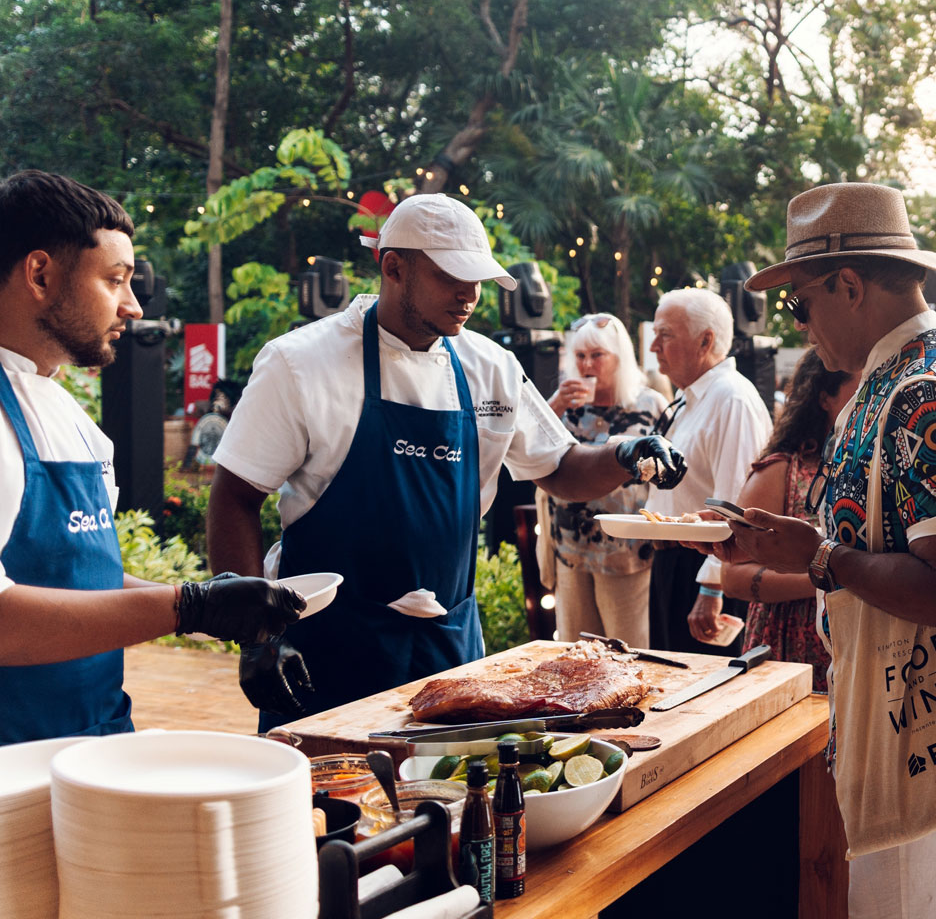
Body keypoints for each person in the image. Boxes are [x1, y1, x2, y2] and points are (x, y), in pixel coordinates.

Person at [206, 193, 686, 730]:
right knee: (328, 806)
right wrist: (256, 633)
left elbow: (561, 468)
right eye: (452, 278)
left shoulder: (490, 366)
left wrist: (627, 454)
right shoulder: (299, 362)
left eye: (478, 279)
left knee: (451, 798)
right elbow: (235, 496)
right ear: (393, 266)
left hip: (449, 644)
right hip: (325, 643)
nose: (470, 296)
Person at [705, 182, 936, 917]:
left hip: (930, 718)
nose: (803, 328)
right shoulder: (917, 375)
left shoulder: (926, 392)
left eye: (801, 304)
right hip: (915, 709)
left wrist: (820, 559)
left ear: (848, 285)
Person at [0, 170, 301, 744]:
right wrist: (185, 609)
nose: (133, 307)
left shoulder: (73, 420)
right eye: (114, 280)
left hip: (93, 739)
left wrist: (227, 612)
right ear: (39, 274)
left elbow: (85, 579)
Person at [644, 287, 772, 655]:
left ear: (706, 341)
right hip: (674, 563)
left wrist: (712, 587)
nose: (654, 347)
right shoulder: (692, 397)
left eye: (665, 335)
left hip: (702, 568)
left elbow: (735, 502)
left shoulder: (731, 398)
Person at [718, 349, 855, 692]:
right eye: (860, 386)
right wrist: (831, 575)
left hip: (858, 649)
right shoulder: (782, 469)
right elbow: (733, 577)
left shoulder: (869, 468)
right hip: (788, 650)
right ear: (824, 397)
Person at [535, 312, 669, 645]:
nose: (587, 364)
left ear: (619, 357)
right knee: (575, 652)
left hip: (626, 550)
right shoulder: (567, 405)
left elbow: (669, 471)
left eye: (597, 355)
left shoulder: (650, 404)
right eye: (580, 356)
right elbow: (530, 452)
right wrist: (554, 405)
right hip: (570, 547)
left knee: (629, 651)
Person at [185, 378, 243, 469]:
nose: (219, 401)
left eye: (224, 397)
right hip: (206, 461)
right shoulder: (207, 412)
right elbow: (196, 440)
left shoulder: (238, 415)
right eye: (217, 397)